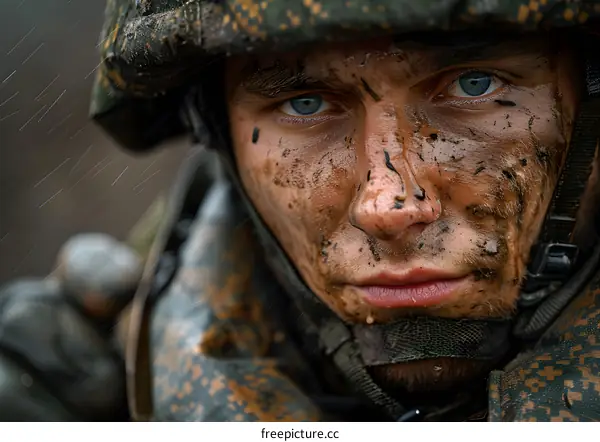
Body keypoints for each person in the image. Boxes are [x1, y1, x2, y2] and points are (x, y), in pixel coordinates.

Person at [1, 0, 599, 422]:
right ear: (219, 134)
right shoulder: (111, 381)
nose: (387, 206)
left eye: (474, 86)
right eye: (306, 103)